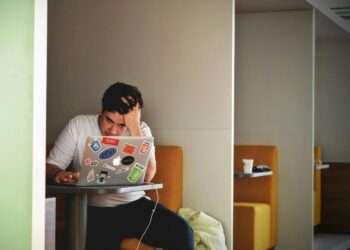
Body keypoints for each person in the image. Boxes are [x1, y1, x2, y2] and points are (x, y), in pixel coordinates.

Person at [46, 82, 194, 250]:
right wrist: (58, 173)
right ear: (102, 110)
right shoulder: (78, 125)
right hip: (92, 210)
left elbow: (148, 176)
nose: (113, 130)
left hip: (134, 206)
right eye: (109, 120)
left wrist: (134, 128)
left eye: (122, 125)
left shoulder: (141, 130)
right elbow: (50, 166)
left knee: (182, 232)